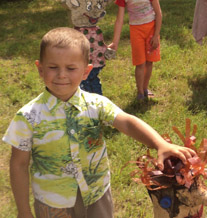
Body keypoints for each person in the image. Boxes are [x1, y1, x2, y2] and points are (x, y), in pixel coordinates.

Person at [3, 27, 196, 218]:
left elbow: (127, 122)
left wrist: (160, 144)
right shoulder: (28, 116)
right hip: (52, 203)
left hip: (97, 195)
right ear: (40, 69)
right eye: (53, 67)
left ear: (86, 72)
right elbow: (19, 165)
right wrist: (23, 210)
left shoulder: (96, 104)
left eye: (71, 68)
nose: (62, 74)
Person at [108, 0, 162, 100]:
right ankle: (139, 92)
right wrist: (115, 42)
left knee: (149, 62)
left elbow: (159, 14)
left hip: (151, 30)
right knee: (140, 63)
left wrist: (156, 35)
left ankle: (145, 88)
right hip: (136, 31)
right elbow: (119, 20)